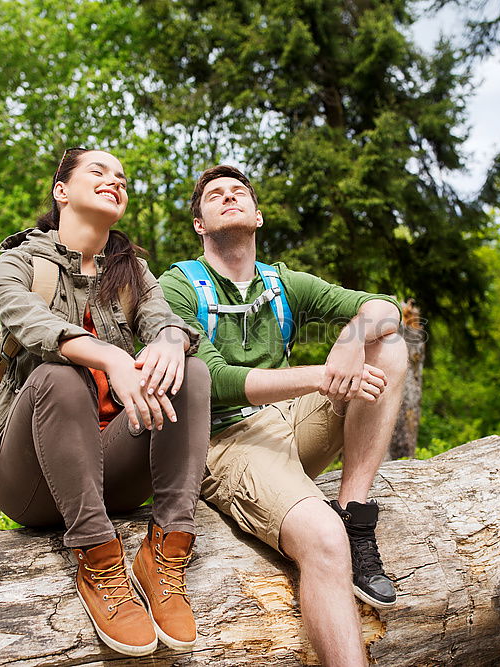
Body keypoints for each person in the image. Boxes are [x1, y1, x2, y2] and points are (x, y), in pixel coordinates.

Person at [158, 165, 408, 666]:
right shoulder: (178, 286)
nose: (227, 197)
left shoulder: (281, 282)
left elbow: (385, 307)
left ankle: (356, 515)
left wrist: (349, 338)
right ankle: (335, 536)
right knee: (321, 538)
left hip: (291, 421)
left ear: (258, 216)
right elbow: (218, 381)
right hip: (227, 441)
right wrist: (322, 374)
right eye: (213, 196)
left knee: (389, 344)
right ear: (200, 225)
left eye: (238, 192)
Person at [0, 148, 211, 657]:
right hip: (31, 484)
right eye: (98, 172)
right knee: (59, 375)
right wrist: (111, 359)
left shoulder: (134, 272)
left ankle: (164, 553)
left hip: (114, 472)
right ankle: (99, 559)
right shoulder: (18, 263)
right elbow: (30, 324)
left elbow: (162, 318)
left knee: (190, 369)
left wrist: (169, 337)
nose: (114, 182)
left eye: (121, 178)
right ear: (62, 191)